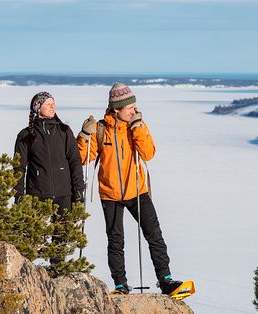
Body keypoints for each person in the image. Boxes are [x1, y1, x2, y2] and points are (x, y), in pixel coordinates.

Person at [77, 82, 182, 295]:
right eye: (130, 108)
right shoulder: (101, 129)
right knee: (116, 241)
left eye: (134, 106)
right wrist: (83, 136)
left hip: (137, 190)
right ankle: (120, 285)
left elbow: (148, 154)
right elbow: (83, 158)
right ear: (116, 109)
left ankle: (166, 279)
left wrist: (138, 129)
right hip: (110, 193)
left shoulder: (137, 125)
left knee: (154, 235)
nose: (134, 110)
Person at [14, 91, 85, 213]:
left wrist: (79, 190)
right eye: (48, 104)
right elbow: (19, 167)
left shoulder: (64, 131)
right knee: (35, 232)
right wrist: (18, 195)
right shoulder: (26, 135)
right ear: (37, 107)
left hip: (64, 194)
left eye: (53, 103)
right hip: (36, 196)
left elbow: (75, 162)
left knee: (64, 232)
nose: (53, 107)